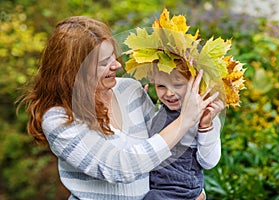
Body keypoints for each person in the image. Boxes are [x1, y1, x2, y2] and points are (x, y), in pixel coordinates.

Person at [16, 16, 220, 199]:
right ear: (75, 70)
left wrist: (191, 192)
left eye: (113, 56)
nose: (117, 65)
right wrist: (186, 119)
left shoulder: (129, 90)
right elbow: (119, 167)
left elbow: (166, 145)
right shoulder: (59, 119)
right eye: (104, 62)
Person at [143, 61, 224, 200]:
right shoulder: (158, 112)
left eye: (178, 85)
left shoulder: (205, 116)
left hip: (181, 190)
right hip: (156, 186)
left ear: (196, 83)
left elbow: (209, 162)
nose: (169, 93)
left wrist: (205, 127)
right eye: (161, 86)